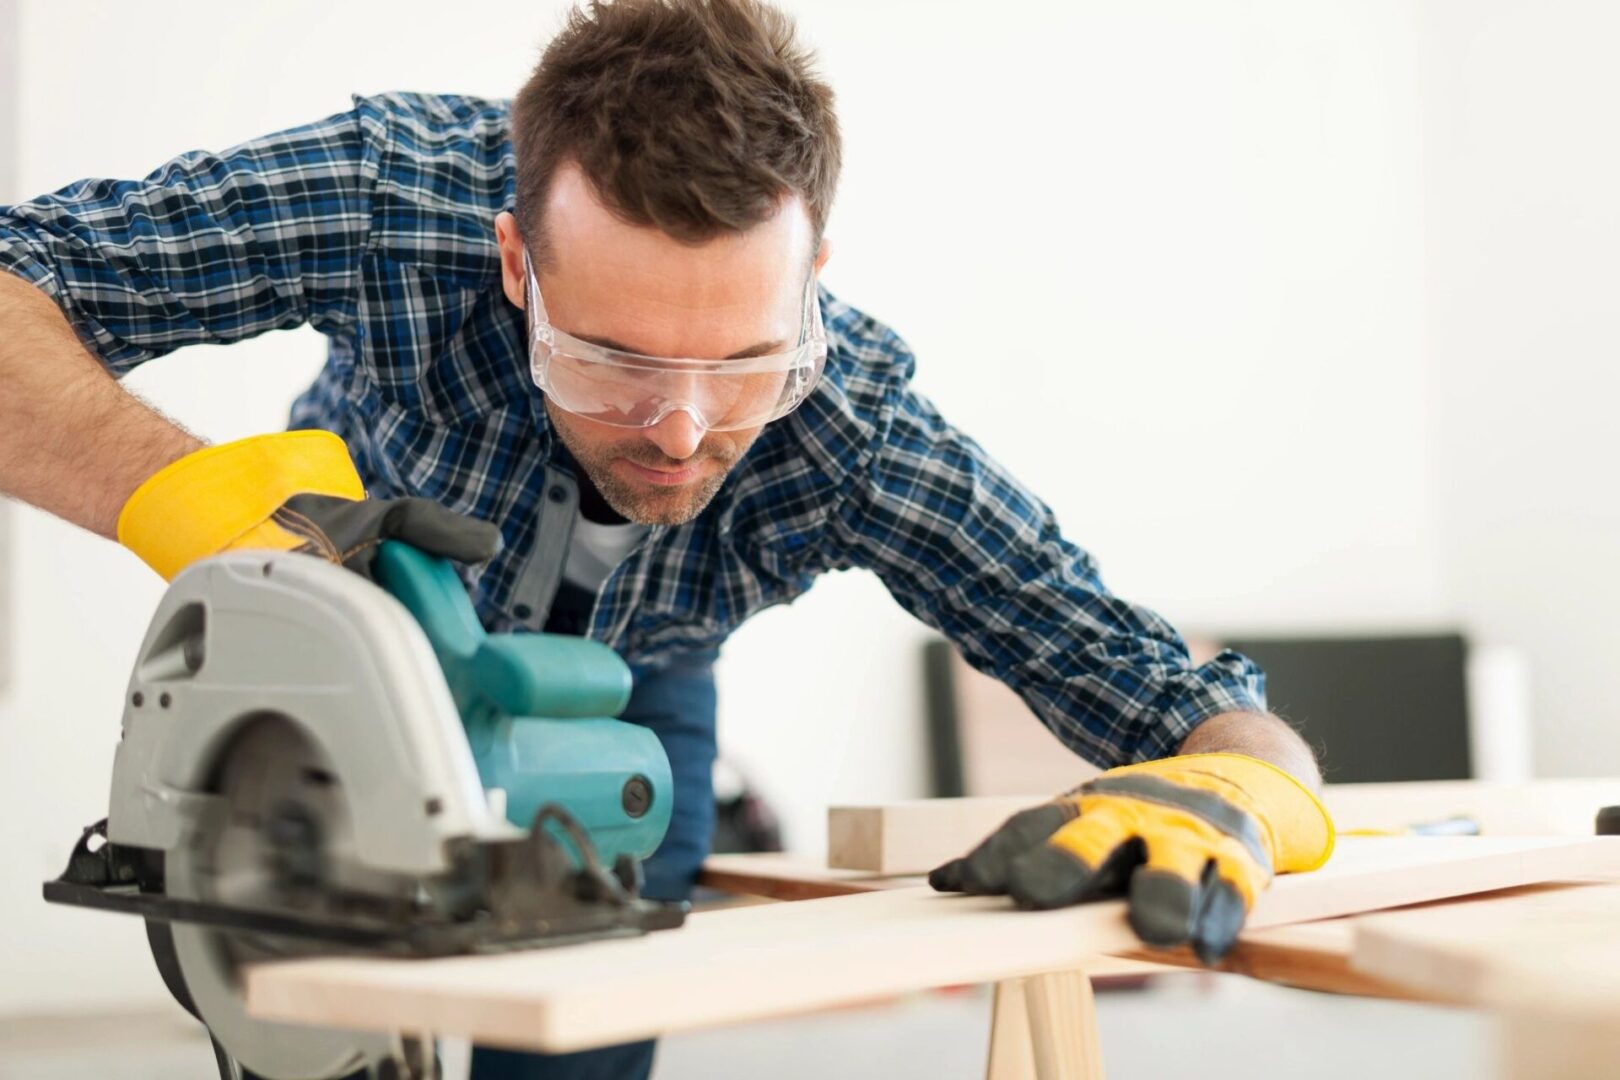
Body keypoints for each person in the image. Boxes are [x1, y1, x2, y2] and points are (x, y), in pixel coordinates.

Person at [0, 0, 1334, 1077]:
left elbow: (1190, 703)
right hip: (356, 665)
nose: (684, 434)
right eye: (611, 361)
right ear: (518, 265)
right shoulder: (390, 199)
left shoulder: (854, 431)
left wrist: (1234, 796)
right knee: (324, 1036)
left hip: (639, 694)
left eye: (746, 365)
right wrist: (196, 506)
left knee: (573, 1049)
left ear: (813, 281)